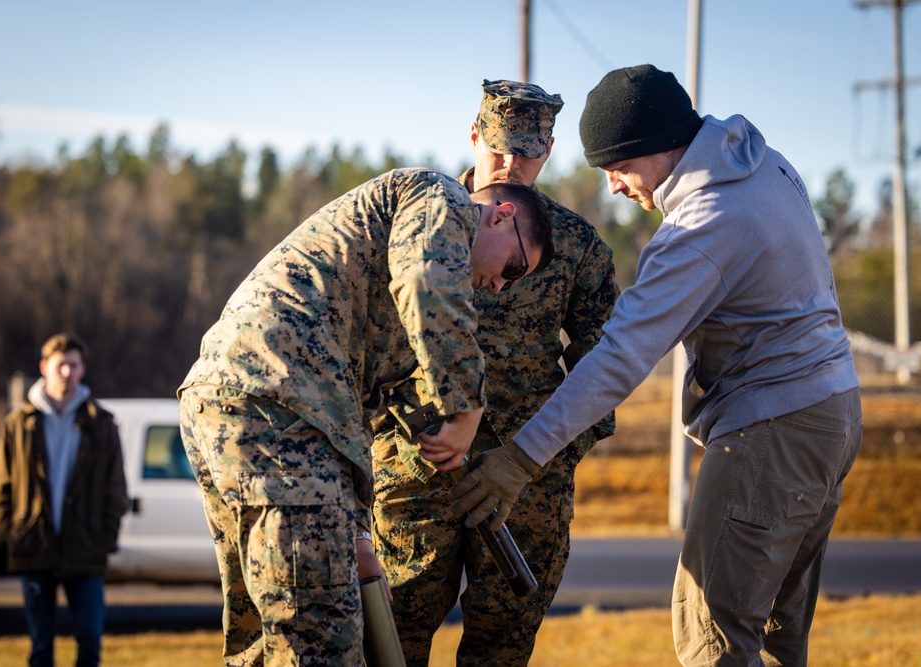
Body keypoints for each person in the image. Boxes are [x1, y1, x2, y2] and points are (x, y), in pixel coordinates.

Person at [451, 64, 862, 666]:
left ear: (658, 149)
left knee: (712, 638)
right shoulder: (764, 163)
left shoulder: (704, 225)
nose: (615, 187)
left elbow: (618, 356)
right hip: (834, 412)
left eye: (618, 168)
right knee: (776, 635)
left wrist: (518, 459)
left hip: (774, 429)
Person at [177, 167, 553, 667]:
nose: (500, 288)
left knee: (267, 640)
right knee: (320, 640)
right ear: (501, 217)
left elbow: (360, 416)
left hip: (242, 402)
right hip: (281, 403)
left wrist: (355, 535)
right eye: (512, 269)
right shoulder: (440, 198)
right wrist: (467, 406)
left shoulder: (380, 299)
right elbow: (426, 278)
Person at [370, 80, 619, 666]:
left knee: (500, 647)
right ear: (474, 135)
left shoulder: (575, 246)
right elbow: (367, 342)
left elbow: (603, 368)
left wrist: (548, 456)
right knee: (389, 643)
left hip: (524, 480)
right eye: (500, 148)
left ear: (549, 152)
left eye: (528, 154)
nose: (512, 164)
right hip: (415, 470)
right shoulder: (416, 222)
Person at [0, 333, 129, 667]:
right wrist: (12, 533)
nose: (67, 372)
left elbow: (116, 489)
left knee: (90, 644)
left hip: (86, 550)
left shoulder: (101, 424)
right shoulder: (17, 423)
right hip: (34, 549)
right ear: (44, 367)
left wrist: (104, 536)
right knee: (40, 648)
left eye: (74, 365)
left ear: (82, 369)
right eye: (60, 365)